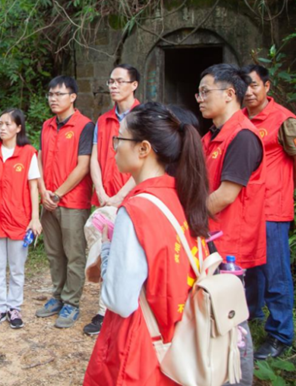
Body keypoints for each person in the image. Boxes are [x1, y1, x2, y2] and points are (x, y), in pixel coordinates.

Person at [84, 102, 211, 385]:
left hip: (140, 346)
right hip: (176, 334)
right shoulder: (179, 196)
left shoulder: (135, 211)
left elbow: (119, 300)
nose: (114, 148)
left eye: (119, 139)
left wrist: (107, 248)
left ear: (143, 149)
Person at [241, 64, 296, 359]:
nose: (249, 92)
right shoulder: (240, 118)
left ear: (267, 86)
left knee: (275, 273)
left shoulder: (284, 120)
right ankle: (253, 314)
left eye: (254, 85)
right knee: (251, 267)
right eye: (244, 86)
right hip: (247, 208)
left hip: (272, 208)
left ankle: (281, 334)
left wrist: (285, 188)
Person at [85, 64, 140, 336]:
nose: (114, 86)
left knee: (128, 254)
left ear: (134, 85)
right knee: (104, 251)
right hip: (105, 199)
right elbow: (95, 158)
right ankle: (104, 309)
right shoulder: (103, 120)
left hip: (133, 199)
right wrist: (101, 192)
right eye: (111, 81)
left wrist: (119, 196)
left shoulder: (144, 117)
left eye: (120, 81)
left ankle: (129, 307)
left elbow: (146, 161)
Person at [37, 75, 94, 328]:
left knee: (74, 254)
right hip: (48, 199)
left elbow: (83, 166)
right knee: (54, 253)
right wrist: (43, 192)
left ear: (73, 97)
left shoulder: (85, 126)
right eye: (50, 94)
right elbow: (39, 160)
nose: (53, 99)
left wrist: (57, 194)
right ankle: (58, 296)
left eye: (59, 94)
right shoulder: (47, 125)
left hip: (73, 202)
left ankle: (72, 302)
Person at [197, 64, 266, 270]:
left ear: (229, 94)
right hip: (212, 238)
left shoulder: (243, 136)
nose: (200, 99)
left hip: (231, 246)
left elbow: (226, 195)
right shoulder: (210, 136)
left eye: (205, 92)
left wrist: (187, 217)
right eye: (199, 93)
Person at [0, 109, 41, 329]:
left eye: (7, 124)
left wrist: (35, 218)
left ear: (18, 128)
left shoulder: (28, 153)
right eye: (0, 124)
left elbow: (33, 187)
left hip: (19, 218)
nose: (2, 128)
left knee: (17, 267)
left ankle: (14, 307)